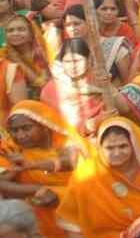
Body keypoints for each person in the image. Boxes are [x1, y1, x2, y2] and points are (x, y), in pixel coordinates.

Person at [56, 117, 140, 237]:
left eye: (123, 146)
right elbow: (72, 223)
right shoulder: (86, 175)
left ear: (134, 146)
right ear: (100, 148)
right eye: (109, 148)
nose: (116, 153)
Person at [0, 100, 84, 237]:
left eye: (26, 128)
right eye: (14, 130)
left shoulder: (66, 141)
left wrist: (33, 165)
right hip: (33, 218)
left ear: (44, 125)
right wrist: (37, 190)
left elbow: (68, 162)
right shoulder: (10, 148)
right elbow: (1, 182)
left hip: (77, 212)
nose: (20, 135)